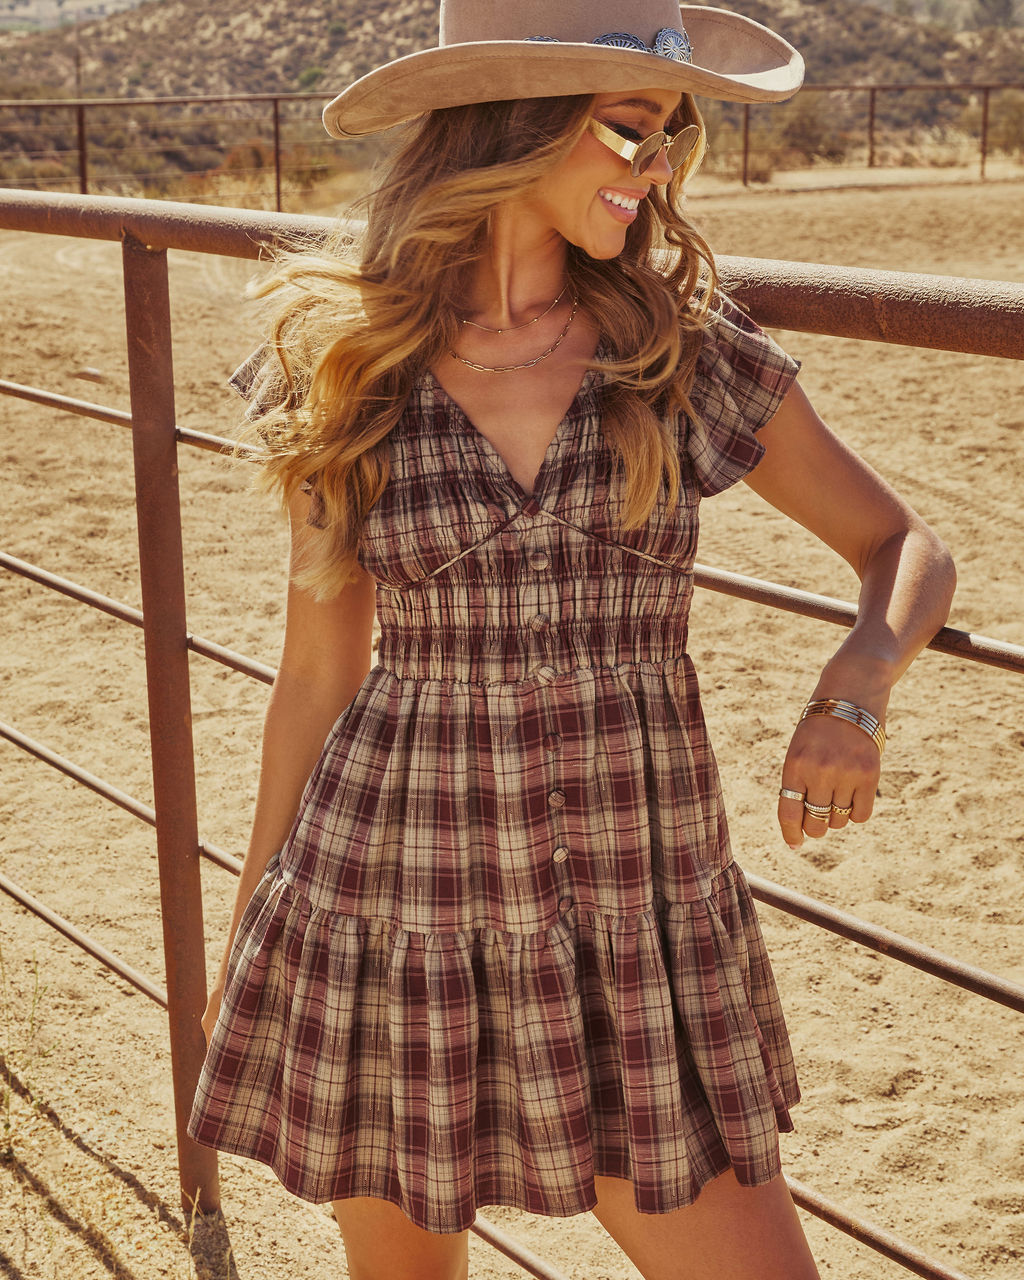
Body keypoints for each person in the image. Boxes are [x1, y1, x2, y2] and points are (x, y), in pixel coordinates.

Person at [188, 4, 956, 1278]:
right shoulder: (352, 366)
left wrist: (857, 684)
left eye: (674, 137)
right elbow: (317, 674)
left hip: (632, 912)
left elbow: (901, 542)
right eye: (631, 129)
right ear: (519, 122)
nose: (658, 169)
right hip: (394, 904)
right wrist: (250, 929)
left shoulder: (678, 350)